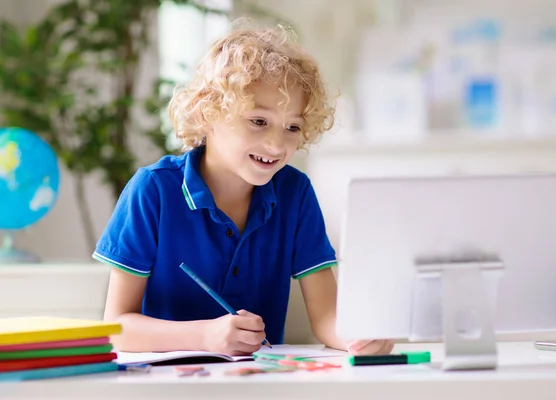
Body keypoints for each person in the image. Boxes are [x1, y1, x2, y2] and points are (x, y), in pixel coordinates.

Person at [93, 21, 394, 357]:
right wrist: (206, 336)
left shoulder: (295, 193)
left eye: (292, 127)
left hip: (259, 383)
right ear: (208, 113)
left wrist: (358, 337)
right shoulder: (153, 190)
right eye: (259, 121)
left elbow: (326, 314)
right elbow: (117, 328)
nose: (277, 144)